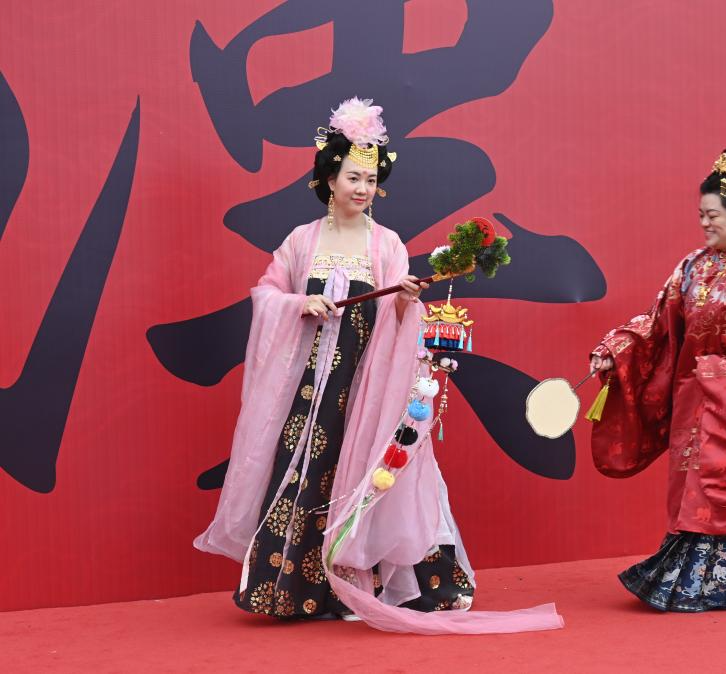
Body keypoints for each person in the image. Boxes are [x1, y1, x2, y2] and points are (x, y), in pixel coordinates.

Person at [195, 97, 562, 634]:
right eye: (353, 177)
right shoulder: (301, 241)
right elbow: (266, 294)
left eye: (370, 180)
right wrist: (299, 303)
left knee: (367, 478)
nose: (362, 188)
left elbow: (396, 318)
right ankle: (292, 592)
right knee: (303, 470)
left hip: (363, 387)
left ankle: (366, 584)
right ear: (329, 180)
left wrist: (406, 300)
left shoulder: (386, 245)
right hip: (307, 389)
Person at [589, 147, 726, 612]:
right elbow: (658, 321)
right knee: (690, 490)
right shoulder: (692, 266)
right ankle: (697, 580)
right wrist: (616, 349)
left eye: (713, 216)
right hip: (695, 400)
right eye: (701, 215)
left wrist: (716, 372)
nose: (705, 224)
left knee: (724, 488)